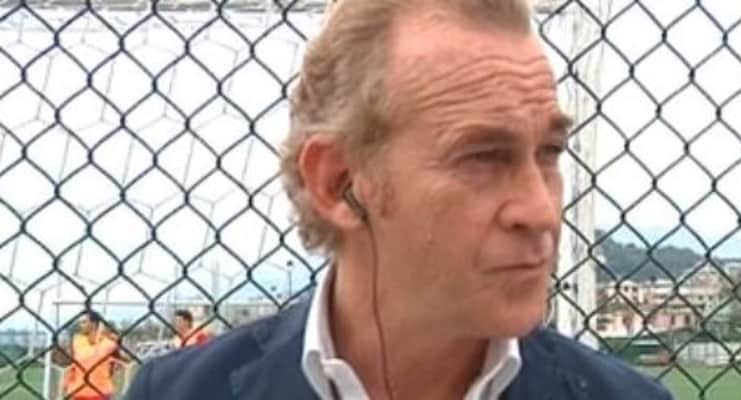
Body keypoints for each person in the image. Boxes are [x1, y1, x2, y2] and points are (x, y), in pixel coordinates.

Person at [126, 1, 673, 399]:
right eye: (483, 157)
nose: (540, 211)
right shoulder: (180, 393)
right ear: (339, 183)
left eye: (548, 152)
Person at [57, 311, 120, 400]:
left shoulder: (108, 343)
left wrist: (108, 335)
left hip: (100, 393)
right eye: (80, 322)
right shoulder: (77, 340)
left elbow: (121, 358)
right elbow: (70, 363)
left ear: (93, 324)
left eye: (84, 322)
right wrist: (66, 383)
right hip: (79, 392)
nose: (81, 325)